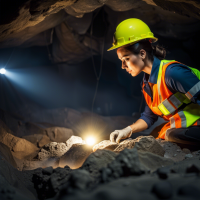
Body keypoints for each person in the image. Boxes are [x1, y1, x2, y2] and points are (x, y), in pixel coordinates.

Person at [108, 18, 200, 145]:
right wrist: (127, 130)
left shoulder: (172, 73)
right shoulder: (147, 84)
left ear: (142, 54)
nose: (123, 66)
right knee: (159, 134)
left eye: (126, 59)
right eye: (121, 61)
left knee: (170, 135)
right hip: (189, 128)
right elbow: (149, 117)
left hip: (196, 126)